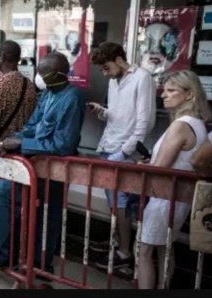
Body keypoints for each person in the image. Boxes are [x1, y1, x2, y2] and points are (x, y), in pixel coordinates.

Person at [0, 52, 86, 271]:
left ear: (59, 74)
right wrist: (9, 141)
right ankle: (2, 254)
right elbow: (31, 126)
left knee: (46, 216)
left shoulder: (73, 97)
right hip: (33, 163)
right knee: (1, 198)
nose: (38, 76)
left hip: (54, 167)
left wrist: (22, 145)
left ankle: (39, 264)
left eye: (43, 73)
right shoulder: (48, 94)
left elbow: (63, 144)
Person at [138, 70, 212, 289]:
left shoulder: (180, 126)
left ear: (189, 95)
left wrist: (146, 166)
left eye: (171, 90)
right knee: (165, 251)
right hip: (178, 198)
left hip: (164, 198)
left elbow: (160, 167)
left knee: (143, 252)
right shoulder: (198, 124)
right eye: (165, 90)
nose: (164, 95)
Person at [87, 42, 156, 270]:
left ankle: (125, 252)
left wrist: (123, 153)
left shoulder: (142, 77)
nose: (105, 73)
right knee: (114, 204)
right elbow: (116, 117)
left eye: (106, 67)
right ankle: (118, 242)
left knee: (122, 204)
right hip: (110, 145)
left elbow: (143, 123)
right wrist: (101, 112)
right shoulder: (113, 82)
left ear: (118, 59)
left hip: (125, 150)